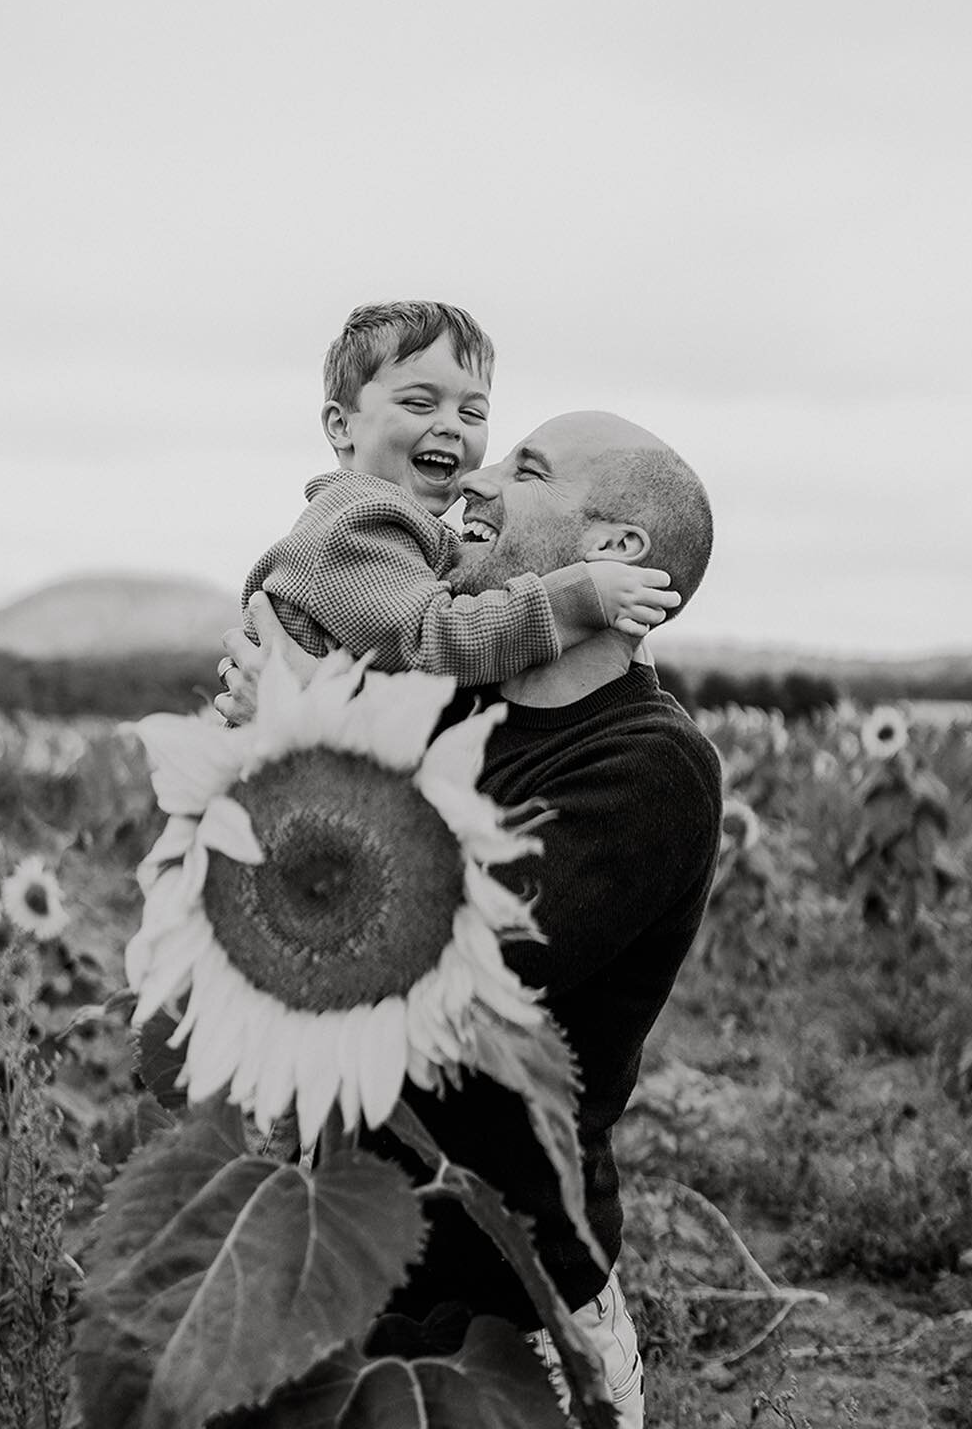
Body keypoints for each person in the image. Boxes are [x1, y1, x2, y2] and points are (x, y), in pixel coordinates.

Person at [217, 410, 722, 1427]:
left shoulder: (647, 767)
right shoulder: (446, 710)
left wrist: (324, 743)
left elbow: (441, 962)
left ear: (613, 550)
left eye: (523, 468)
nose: (475, 482)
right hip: (351, 1273)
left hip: (508, 1316)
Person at [237, 301, 678, 684]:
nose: (451, 426)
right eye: (418, 404)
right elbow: (430, 642)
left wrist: (621, 649)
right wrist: (577, 600)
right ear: (341, 425)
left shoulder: (400, 530)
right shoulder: (354, 526)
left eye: (472, 412)